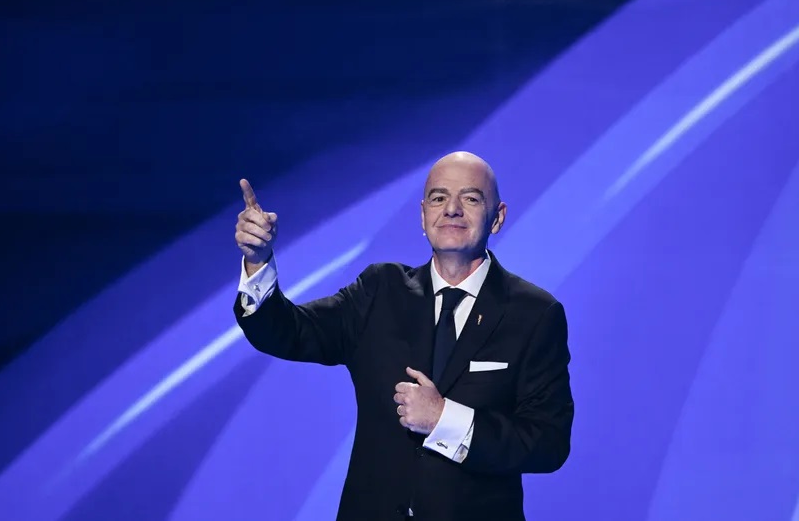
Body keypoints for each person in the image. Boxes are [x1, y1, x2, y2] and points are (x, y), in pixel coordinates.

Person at [233, 151, 573, 521]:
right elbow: (288, 332)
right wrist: (258, 261)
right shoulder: (380, 291)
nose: (452, 210)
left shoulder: (533, 313)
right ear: (423, 216)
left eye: (471, 198)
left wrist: (444, 418)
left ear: (498, 217)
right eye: (439, 198)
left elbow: (548, 443)